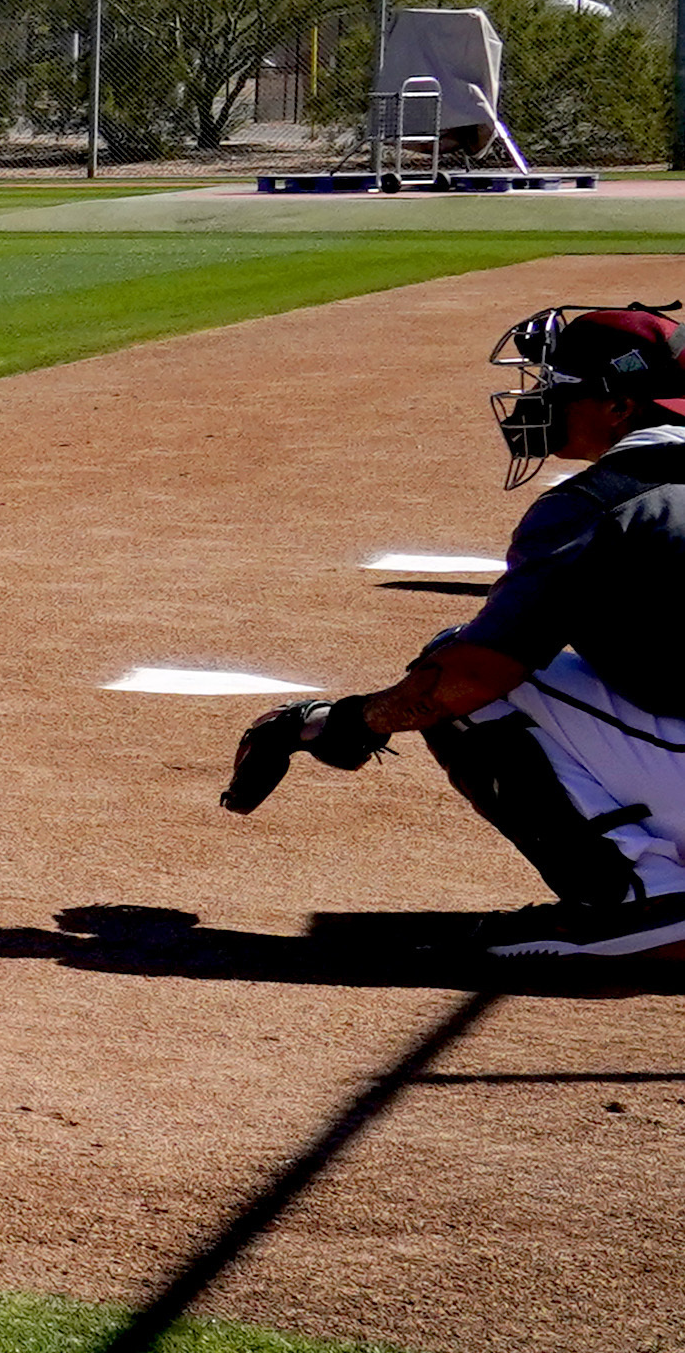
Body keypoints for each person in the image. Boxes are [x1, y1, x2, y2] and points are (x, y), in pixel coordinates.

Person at [220, 304, 685, 958]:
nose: (542, 400)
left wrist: (341, 720)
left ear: (618, 407)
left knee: (459, 679)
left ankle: (642, 905)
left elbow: (472, 678)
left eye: (560, 387)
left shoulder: (593, 506)